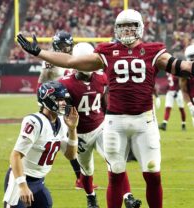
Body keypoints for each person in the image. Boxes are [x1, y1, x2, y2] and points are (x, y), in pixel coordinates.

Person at [16, 9, 194, 208]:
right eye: (122, 27)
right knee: (115, 175)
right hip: (115, 122)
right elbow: (70, 62)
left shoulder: (154, 51)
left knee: (153, 175)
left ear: (140, 27)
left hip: (145, 121)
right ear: (116, 29)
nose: (127, 31)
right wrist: (39, 53)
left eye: (131, 26)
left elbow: (185, 68)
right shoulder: (107, 52)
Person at [58, 42, 140, 208]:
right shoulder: (65, 83)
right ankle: (91, 197)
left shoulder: (102, 78)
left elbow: (104, 104)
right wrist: (70, 136)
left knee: (116, 161)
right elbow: (62, 114)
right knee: (86, 170)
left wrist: (112, 123)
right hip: (80, 133)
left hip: (100, 128)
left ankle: (128, 196)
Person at [3, 81, 79, 208]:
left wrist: (72, 129)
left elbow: (71, 155)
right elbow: (15, 156)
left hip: (39, 181)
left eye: (64, 99)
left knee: (46, 203)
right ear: (47, 100)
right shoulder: (35, 122)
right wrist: (22, 186)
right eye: (60, 99)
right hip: (21, 179)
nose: (64, 103)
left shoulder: (61, 122)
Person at [37, 30, 89, 190]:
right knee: (56, 142)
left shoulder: (75, 57)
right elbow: (41, 83)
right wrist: (43, 103)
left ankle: (81, 179)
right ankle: (37, 176)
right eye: (60, 46)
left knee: (71, 142)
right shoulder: (50, 61)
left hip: (69, 103)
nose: (64, 49)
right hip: (54, 105)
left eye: (66, 46)